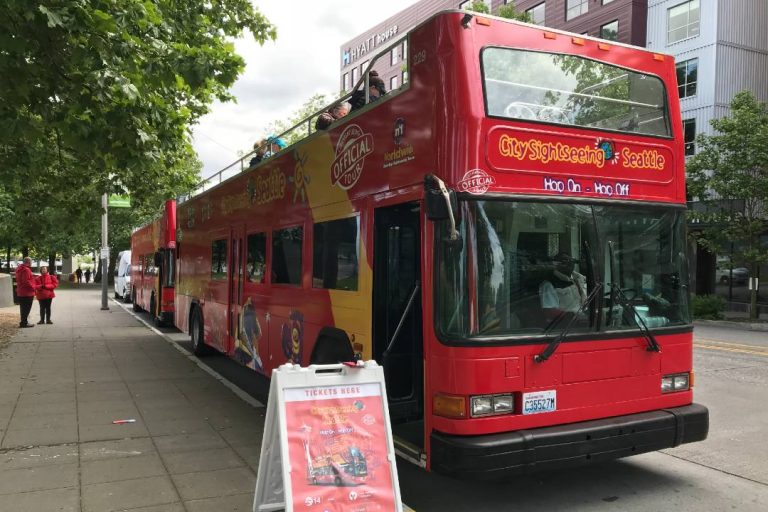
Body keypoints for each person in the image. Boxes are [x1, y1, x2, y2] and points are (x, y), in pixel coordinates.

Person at [539, 252, 587, 320]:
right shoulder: (549, 284)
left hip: (587, 322)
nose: (569, 263)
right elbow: (549, 312)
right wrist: (575, 316)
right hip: (567, 326)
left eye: (571, 260)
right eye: (564, 261)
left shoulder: (580, 279)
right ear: (556, 264)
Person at [15, 257, 38, 328]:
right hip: (27, 292)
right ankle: (24, 323)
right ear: (28, 262)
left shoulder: (19, 269)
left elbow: (23, 279)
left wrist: (33, 276)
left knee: (23, 308)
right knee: (26, 308)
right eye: (31, 261)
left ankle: (23, 322)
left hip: (21, 292)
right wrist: (34, 287)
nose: (31, 263)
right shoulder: (26, 270)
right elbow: (26, 281)